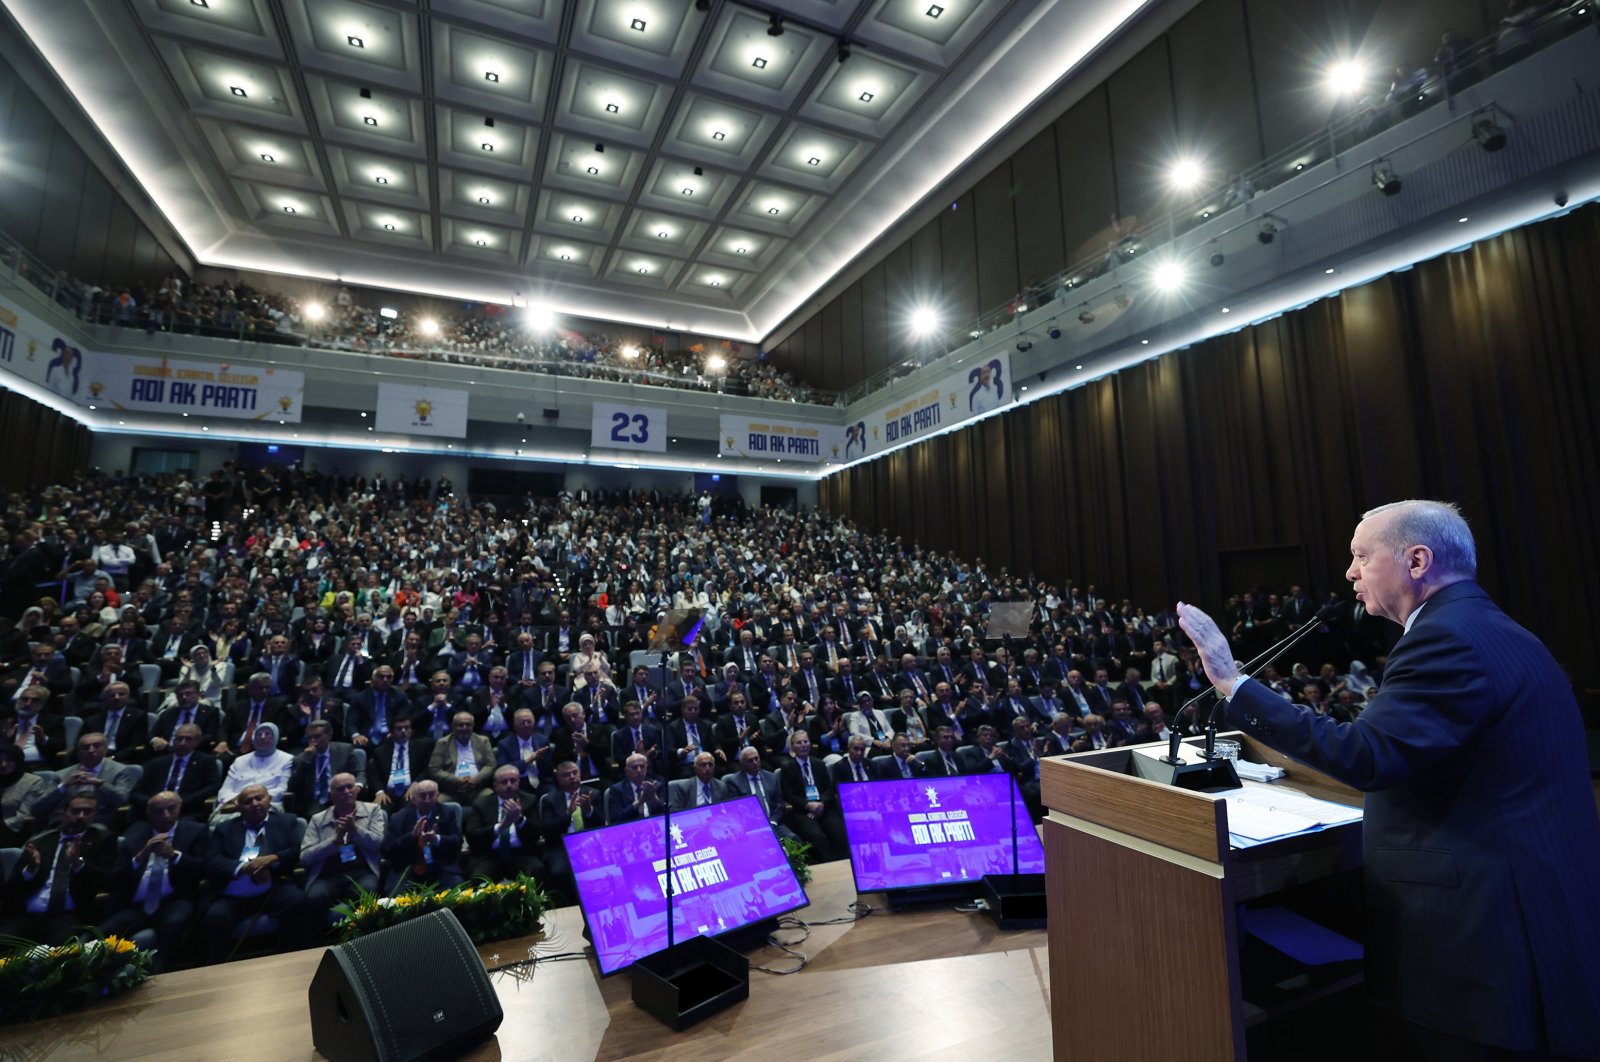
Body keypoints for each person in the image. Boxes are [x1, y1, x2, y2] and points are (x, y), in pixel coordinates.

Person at [1177, 500, 1600, 1059]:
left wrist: (1232, 683)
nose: (1350, 572)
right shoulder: (1494, 629)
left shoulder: (1446, 638)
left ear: (1417, 560)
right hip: (1537, 911)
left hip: (1481, 941)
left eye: (1360, 556)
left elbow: (1369, 755)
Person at [103, 790, 211, 968]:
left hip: (175, 899)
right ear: (149, 814)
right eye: (159, 810)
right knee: (106, 931)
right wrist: (140, 857)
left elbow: (205, 868)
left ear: (179, 809)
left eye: (171, 808)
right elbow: (112, 881)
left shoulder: (196, 831)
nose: (166, 815)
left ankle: (162, 975)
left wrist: (174, 855)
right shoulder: (132, 839)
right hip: (136, 904)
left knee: (173, 923)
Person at [199, 783, 305, 963]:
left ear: (269, 800)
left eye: (259, 798)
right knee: (214, 917)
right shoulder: (224, 829)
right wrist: (244, 867)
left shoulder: (287, 821)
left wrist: (273, 858)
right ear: (239, 807)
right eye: (248, 801)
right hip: (235, 893)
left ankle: (290, 960)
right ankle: (214, 971)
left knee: (298, 901)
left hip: (272, 888)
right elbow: (212, 860)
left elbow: (297, 850)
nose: (255, 803)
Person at [0, 792, 118, 945]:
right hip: (25, 915)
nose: (81, 816)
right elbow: (10, 889)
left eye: (87, 811)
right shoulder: (40, 841)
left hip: (68, 915)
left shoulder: (104, 840)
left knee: (59, 951)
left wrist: (78, 863)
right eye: (75, 811)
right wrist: (30, 870)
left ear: (95, 814)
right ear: (64, 812)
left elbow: (106, 880)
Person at [300, 771, 385, 939]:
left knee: (368, 892)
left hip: (361, 872)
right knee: (313, 898)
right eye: (340, 789)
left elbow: (377, 843)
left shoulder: (373, 811)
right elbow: (305, 857)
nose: (346, 791)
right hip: (327, 876)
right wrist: (335, 841)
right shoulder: (318, 819)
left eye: (350, 787)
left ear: (356, 789)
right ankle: (315, 950)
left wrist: (355, 829)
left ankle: (373, 944)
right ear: (331, 794)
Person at [464, 765, 544, 883]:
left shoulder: (529, 800)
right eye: (504, 782)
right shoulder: (481, 804)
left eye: (513, 781)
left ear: (518, 782)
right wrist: (500, 827)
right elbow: (472, 836)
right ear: (495, 785)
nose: (509, 785)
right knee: (479, 877)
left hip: (520, 854)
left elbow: (537, 833)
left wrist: (519, 819)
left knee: (537, 870)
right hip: (490, 856)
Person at [381, 780, 464, 892]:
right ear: (413, 798)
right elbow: (387, 850)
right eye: (422, 795)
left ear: (438, 795)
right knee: (396, 895)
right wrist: (412, 836)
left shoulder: (447, 812)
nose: (427, 799)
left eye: (431, 795)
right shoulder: (399, 817)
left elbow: (457, 842)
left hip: (441, 867)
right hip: (408, 869)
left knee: (457, 888)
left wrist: (437, 839)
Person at [537, 760, 601, 901]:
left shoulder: (593, 794)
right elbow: (548, 831)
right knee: (559, 872)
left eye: (575, 773)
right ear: (558, 780)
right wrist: (567, 814)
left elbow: (602, 824)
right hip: (560, 845)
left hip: (589, 842)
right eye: (566, 775)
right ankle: (568, 905)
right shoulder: (550, 800)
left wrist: (589, 811)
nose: (572, 777)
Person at [0, 743, 50, 846]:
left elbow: (25, 815)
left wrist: (2, 825)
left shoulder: (33, 782)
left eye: (8, 760)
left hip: (16, 832)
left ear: (17, 760)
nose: (3, 764)